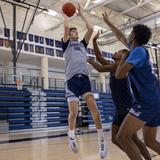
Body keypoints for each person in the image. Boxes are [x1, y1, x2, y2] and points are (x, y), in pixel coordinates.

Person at [102, 12, 160, 160]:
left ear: (134, 36)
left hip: (146, 101)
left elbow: (119, 74)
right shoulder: (137, 50)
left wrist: (124, 56)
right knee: (150, 141)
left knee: (122, 137)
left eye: (131, 32)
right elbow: (119, 35)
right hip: (153, 100)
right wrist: (108, 22)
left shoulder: (137, 52)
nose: (127, 35)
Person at [87, 31, 151, 160]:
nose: (115, 52)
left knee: (133, 138)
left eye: (119, 51)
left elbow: (99, 67)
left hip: (126, 106)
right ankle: (135, 155)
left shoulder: (119, 66)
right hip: (119, 109)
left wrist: (90, 61)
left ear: (123, 57)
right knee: (115, 139)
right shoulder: (113, 67)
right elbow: (99, 57)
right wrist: (94, 41)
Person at [61, 5, 107, 158]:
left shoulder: (82, 45)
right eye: (73, 31)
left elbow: (91, 28)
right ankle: (71, 136)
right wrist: (66, 17)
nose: (75, 32)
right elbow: (66, 28)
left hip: (85, 80)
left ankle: (101, 141)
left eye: (75, 31)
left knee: (95, 110)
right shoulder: (66, 44)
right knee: (73, 112)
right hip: (72, 82)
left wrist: (81, 14)